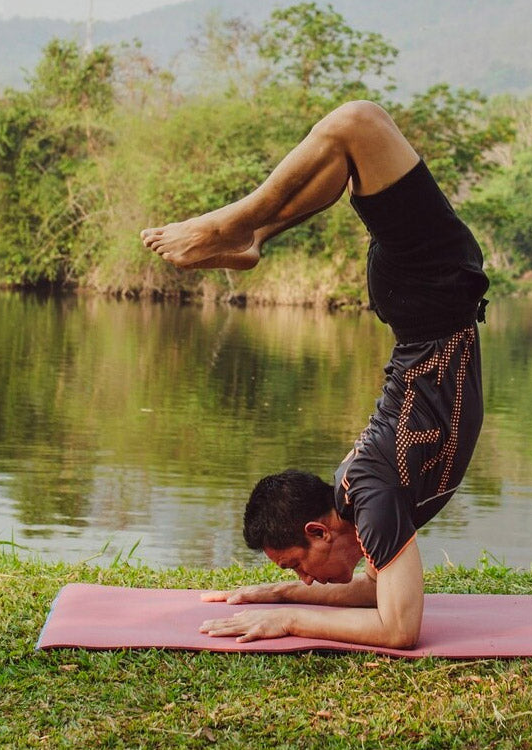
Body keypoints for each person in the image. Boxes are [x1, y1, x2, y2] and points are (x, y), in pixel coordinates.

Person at [141, 100, 488, 649]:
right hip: (428, 302)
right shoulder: (363, 499)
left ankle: (234, 225)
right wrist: (276, 598)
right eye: (295, 577)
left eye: (295, 568)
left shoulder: (368, 496)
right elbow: (375, 598)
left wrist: (290, 619)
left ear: (319, 531)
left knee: (357, 124)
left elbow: (398, 629)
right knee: (348, 155)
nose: (303, 579)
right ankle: (252, 237)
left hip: (431, 295)